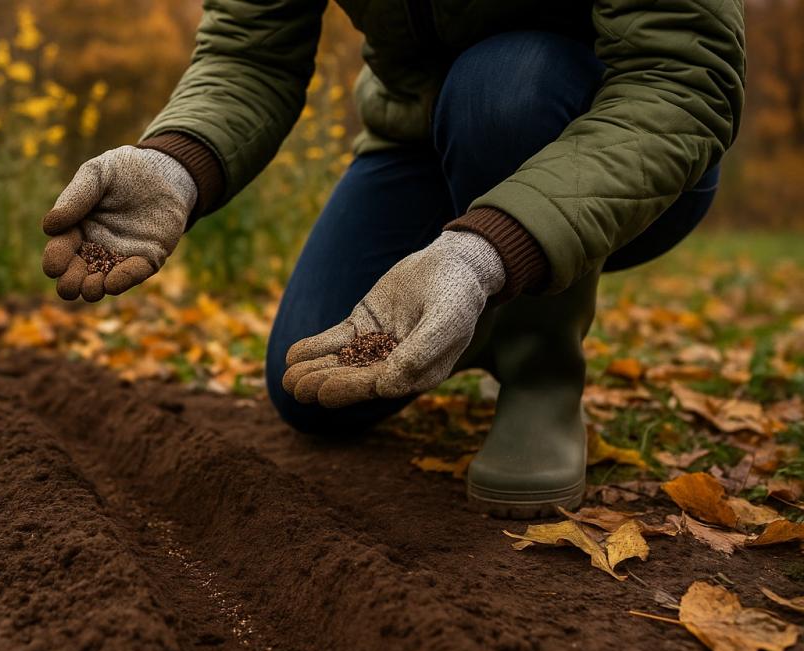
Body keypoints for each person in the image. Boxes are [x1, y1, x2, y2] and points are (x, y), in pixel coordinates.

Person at [40, 1, 745, 518]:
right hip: (415, 136)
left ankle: (540, 368)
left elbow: (680, 77)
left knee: (503, 86)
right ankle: (472, 324)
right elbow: (250, 54)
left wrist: (486, 253)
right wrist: (175, 162)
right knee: (310, 392)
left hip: (598, 129)